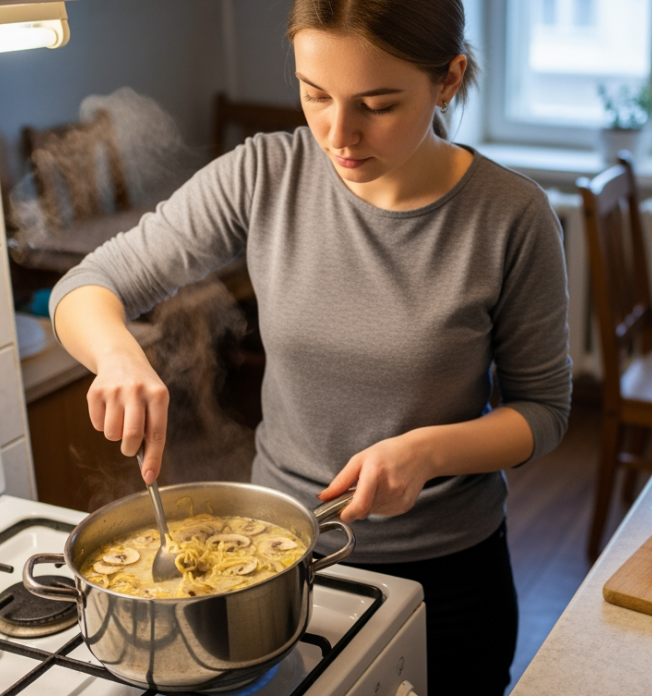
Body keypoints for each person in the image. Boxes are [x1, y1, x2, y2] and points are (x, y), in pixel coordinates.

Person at [48, 0, 571, 693]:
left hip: (449, 578)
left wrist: (427, 452)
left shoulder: (512, 216)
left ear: (448, 79)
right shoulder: (266, 173)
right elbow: (88, 284)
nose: (338, 134)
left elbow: (544, 411)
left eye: (377, 105)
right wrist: (116, 354)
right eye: (315, 94)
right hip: (274, 570)